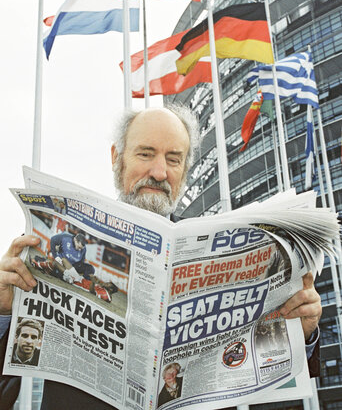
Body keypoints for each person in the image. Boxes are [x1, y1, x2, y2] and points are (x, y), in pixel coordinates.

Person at [0, 106, 322, 410]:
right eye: (145, 153)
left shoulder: (222, 252)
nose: (159, 172)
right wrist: (2, 311)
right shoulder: (56, 235)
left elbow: (268, 395)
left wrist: (300, 336)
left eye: (173, 159)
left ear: (185, 170)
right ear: (117, 158)